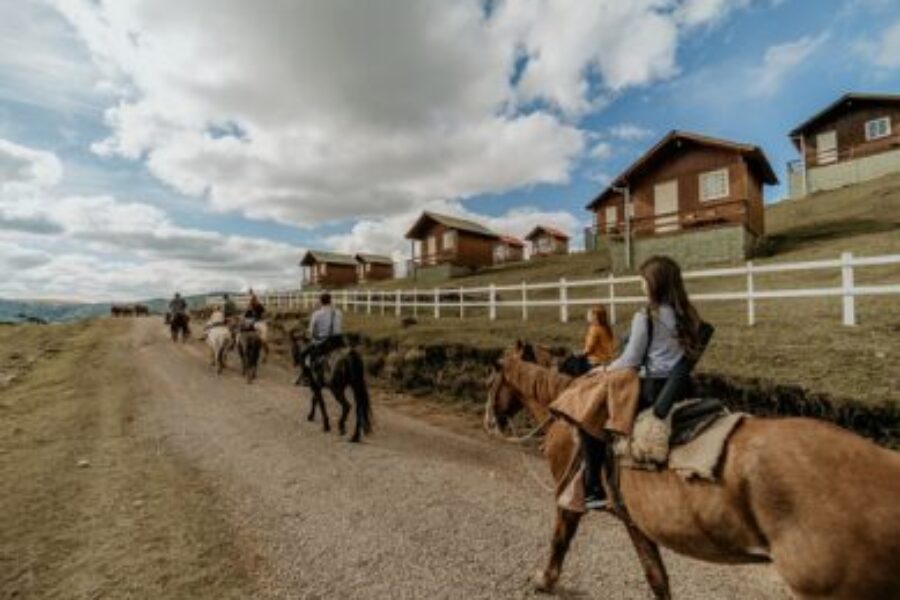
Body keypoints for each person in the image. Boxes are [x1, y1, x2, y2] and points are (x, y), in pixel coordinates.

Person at [581, 255, 706, 511]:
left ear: (655, 284)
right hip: (683, 388)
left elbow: (631, 360)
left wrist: (602, 369)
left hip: (652, 392)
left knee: (590, 420)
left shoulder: (646, 316)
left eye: (643, 281)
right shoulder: (688, 316)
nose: (641, 286)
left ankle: (594, 488)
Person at [296, 292, 344, 385]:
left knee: (303, 355)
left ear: (320, 301)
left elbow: (311, 331)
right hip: (338, 341)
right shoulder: (338, 312)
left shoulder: (317, 314)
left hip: (324, 342)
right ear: (330, 301)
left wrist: (308, 335)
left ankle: (307, 378)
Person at [569, 305, 617, 376]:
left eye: (589, 314)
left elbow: (588, 349)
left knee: (571, 364)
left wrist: (578, 354)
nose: (587, 316)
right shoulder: (606, 328)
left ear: (595, 316)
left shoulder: (594, 329)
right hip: (607, 361)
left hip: (594, 362)